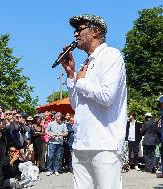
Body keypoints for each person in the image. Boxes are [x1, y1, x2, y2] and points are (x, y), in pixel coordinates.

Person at [60, 14, 127, 188]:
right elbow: (76, 105)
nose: (75, 34)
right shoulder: (84, 64)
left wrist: (81, 82)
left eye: (79, 29)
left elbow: (107, 96)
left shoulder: (111, 55)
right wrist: (71, 75)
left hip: (105, 144)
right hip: (82, 143)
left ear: (95, 31)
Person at [45, 112, 68, 176]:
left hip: (60, 142)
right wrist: (50, 134)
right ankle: (49, 170)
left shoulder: (63, 124)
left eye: (60, 116)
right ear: (55, 117)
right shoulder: (51, 124)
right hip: (52, 142)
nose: (59, 117)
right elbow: (46, 130)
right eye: (58, 116)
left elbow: (66, 133)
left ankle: (56, 170)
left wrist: (61, 134)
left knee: (58, 157)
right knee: (51, 156)